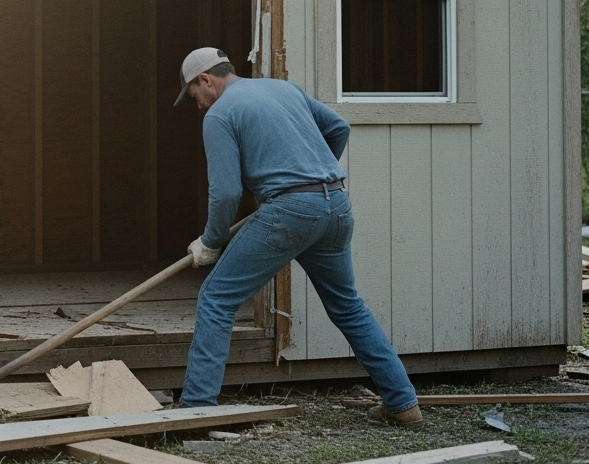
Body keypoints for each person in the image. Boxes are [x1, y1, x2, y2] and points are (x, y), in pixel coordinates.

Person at [173, 46, 422, 426]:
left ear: (206, 79)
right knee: (348, 306)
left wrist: (211, 241)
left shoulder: (221, 113)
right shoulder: (284, 89)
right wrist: (311, 173)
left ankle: (195, 409)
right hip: (336, 205)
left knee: (217, 298)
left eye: (195, 96)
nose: (199, 106)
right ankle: (403, 404)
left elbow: (225, 193)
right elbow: (339, 127)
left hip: (289, 213)